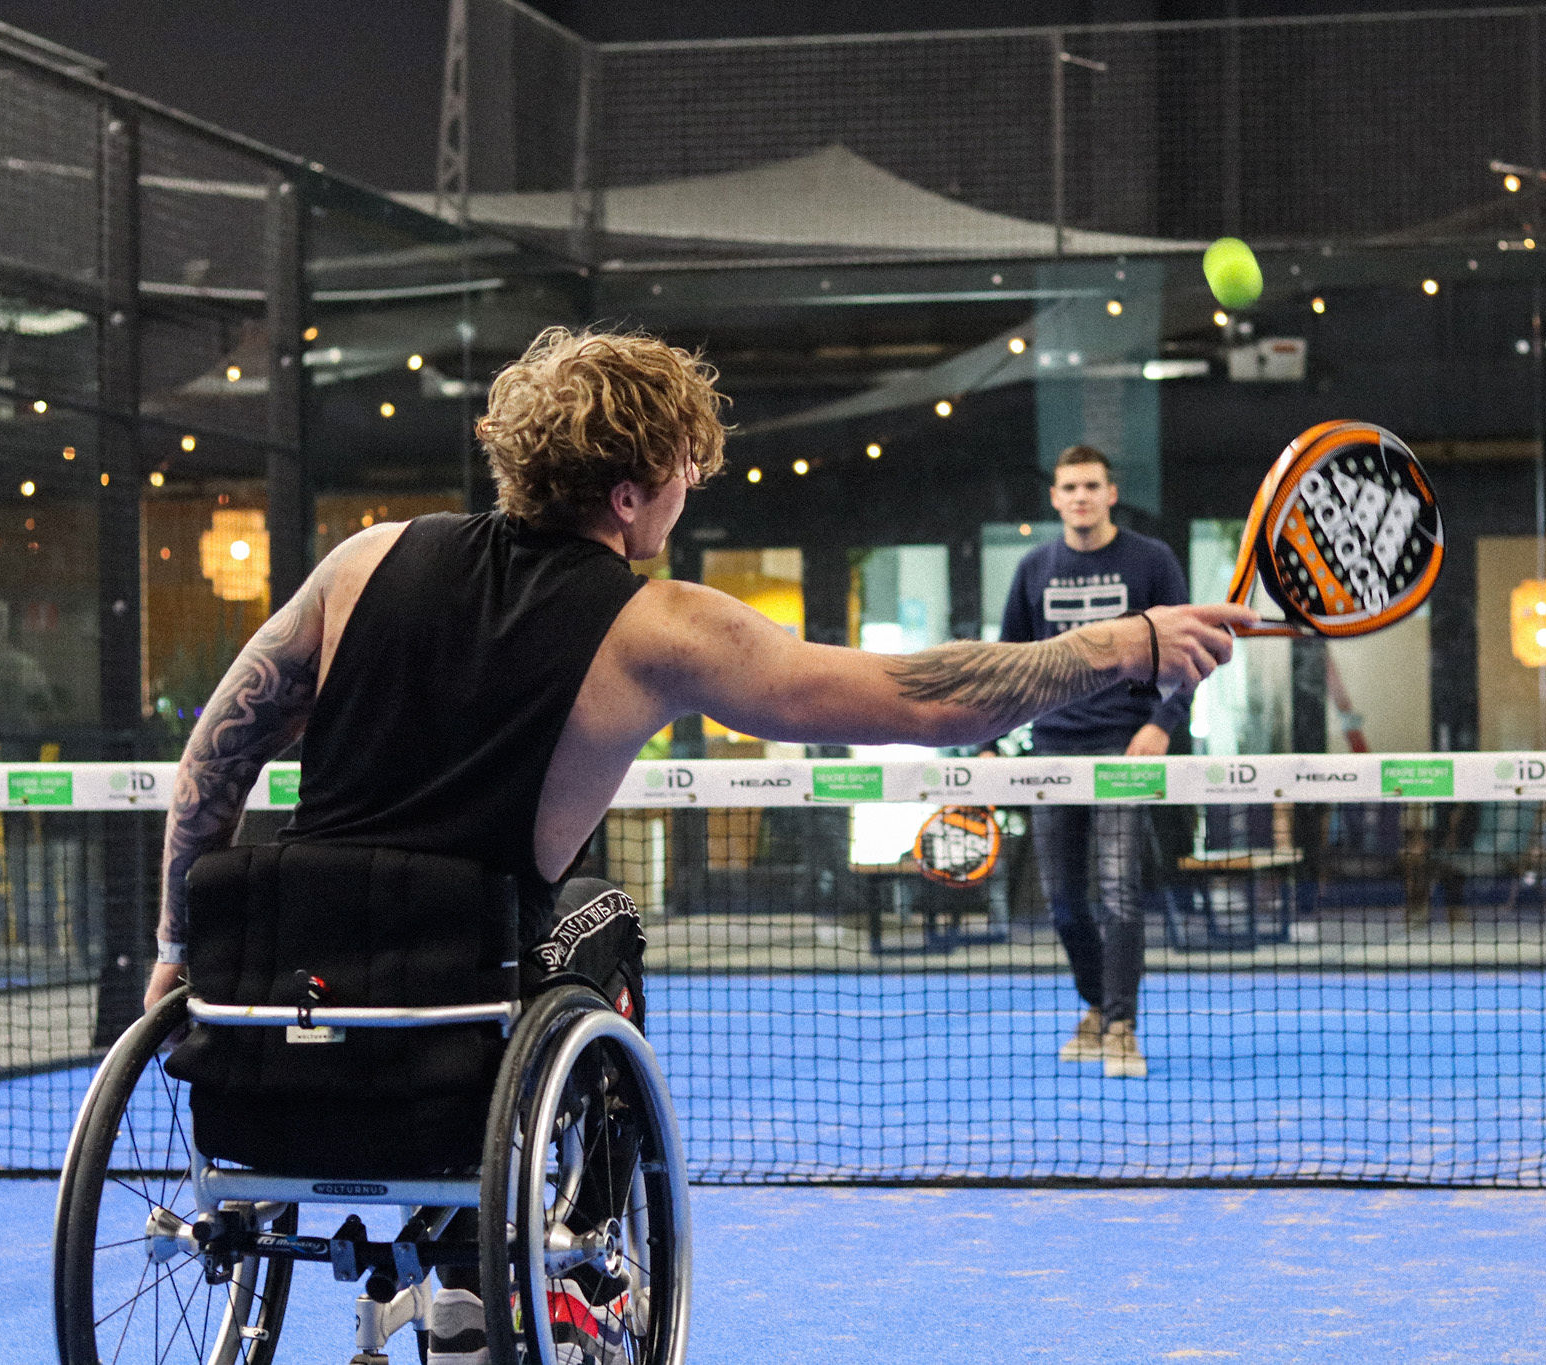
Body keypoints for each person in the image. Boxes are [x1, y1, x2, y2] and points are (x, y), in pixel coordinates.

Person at [141, 328, 1253, 1363]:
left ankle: (463, 1254)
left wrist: (182, 945)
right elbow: (924, 699)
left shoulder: (364, 561)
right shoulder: (657, 628)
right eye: (679, 469)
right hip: (459, 1002)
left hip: (275, 999)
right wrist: (1124, 643)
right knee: (603, 919)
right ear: (628, 495)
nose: (686, 488)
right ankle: (552, 1244)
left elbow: (216, 755)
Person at [992, 445, 1194, 1079]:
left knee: (1119, 895)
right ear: (1055, 497)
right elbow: (1008, 665)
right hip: (1052, 754)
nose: (1079, 496)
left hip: (1125, 751)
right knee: (1062, 904)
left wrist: (1162, 725)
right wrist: (987, 739)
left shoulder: (1152, 562)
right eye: (1068, 487)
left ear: (1111, 493)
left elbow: (1184, 657)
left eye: (1091, 486)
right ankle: (1097, 1006)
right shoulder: (1033, 570)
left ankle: (1121, 1026)